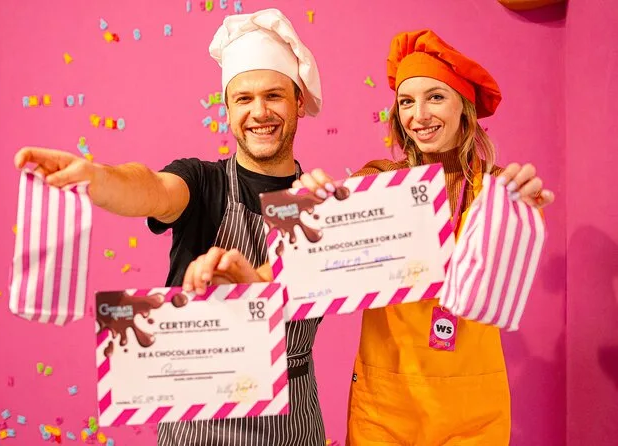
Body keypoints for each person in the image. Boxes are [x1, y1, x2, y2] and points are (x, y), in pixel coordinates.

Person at [181, 29, 555, 445]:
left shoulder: (497, 190)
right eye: (407, 102)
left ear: (463, 107)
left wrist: (521, 215)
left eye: (435, 97)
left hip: (473, 407)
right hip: (387, 405)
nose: (419, 115)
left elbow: (504, 279)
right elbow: (317, 252)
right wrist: (257, 274)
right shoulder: (380, 182)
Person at [13, 8, 327, 446]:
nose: (259, 112)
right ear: (228, 109)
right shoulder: (200, 182)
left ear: (298, 101)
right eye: (244, 98)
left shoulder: (320, 203)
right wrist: (98, 178)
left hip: (292, 420)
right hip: (199, 419)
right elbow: (151, 188)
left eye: (273, 95)